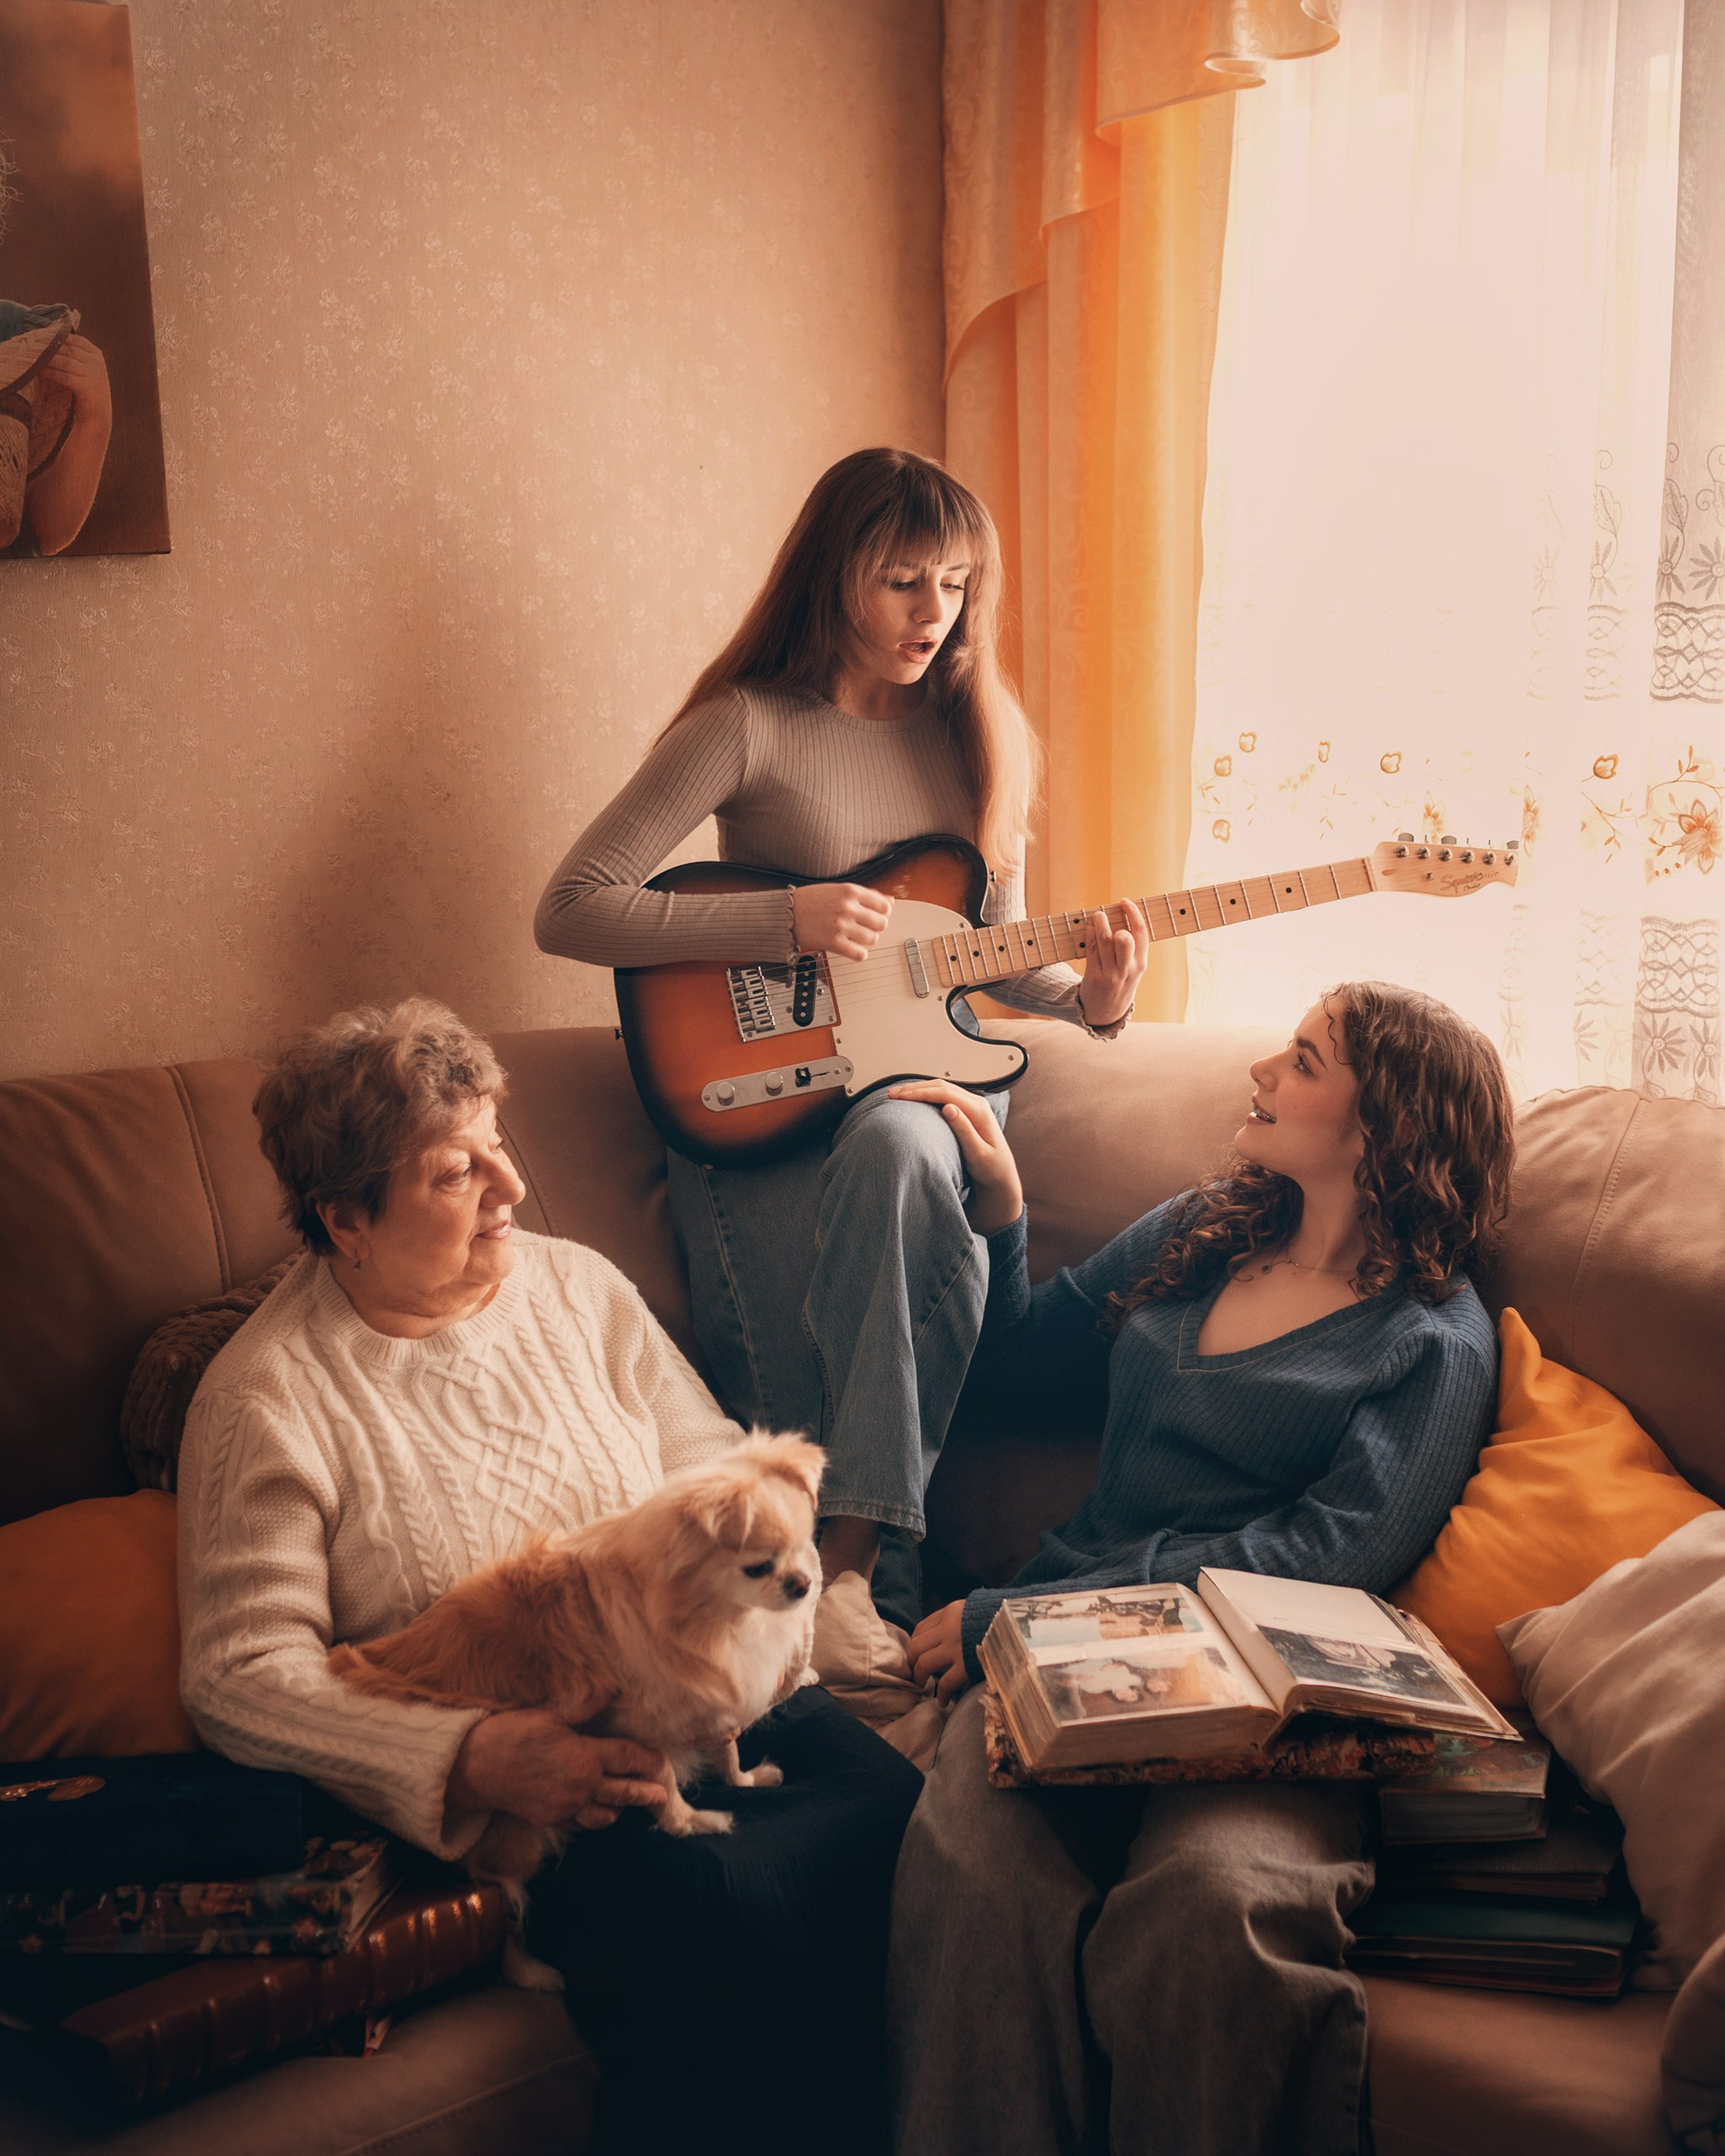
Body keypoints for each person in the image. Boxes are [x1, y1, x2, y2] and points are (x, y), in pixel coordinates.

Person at [176, 999, 921, 2156]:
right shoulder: (269, 1397)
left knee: (903, 1823)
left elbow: (707, 1461)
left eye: (499, 1146)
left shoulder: (577, 1286)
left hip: (719, 1698)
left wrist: (762, 1655)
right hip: (545, 1777)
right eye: (454, 1173)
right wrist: (467, 1758)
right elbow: (238, 1674)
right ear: (346, 1218)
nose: (510, 1189)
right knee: (729, 1910)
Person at [884, 981, 1514, 2156]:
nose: (1265, 1071)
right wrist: (1006, 1214)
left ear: (1388, 1130)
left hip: (1261, 1707)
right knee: (973, 1871)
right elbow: (1017, 1375)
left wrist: (1020, 1618)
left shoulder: (1433, 1339)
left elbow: (1330, 1560)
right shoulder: (1198, 1229)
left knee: (1220, 1907)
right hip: (1053, 1680)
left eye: (1307, 1060)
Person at [534, 446, 1149, 1620]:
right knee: (788, 1411)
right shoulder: (747, 727)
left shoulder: (983, 729)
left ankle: (864, 1568)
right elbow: (569, 909)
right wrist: (788, 917)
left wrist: (1095, 999)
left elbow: (1001, 956)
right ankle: (860, 1596)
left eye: (958, 585)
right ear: (835, 577)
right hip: (766, 1083)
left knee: (911, 1145)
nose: (936, 614)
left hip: (929, 1079)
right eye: (904, 581)